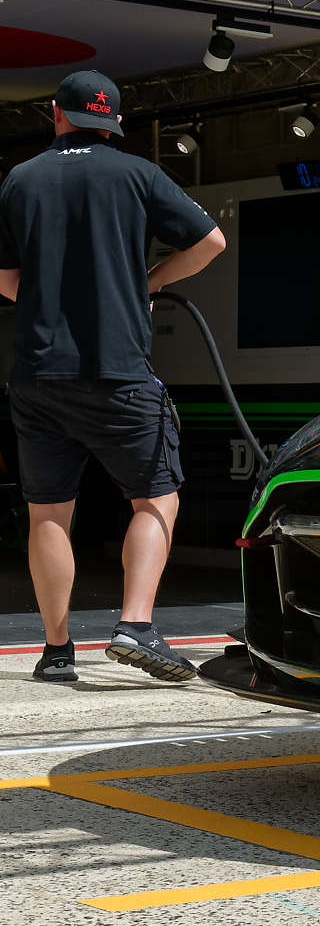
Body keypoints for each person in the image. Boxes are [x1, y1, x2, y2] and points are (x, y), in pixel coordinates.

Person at [0, 70, 226, 684]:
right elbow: (211, 241)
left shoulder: (20, 180)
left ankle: (55, 652)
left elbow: (7, 279)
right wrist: (146, 282)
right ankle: (136, 626)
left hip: (38, 375)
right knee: (157, 496)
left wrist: (50, 298)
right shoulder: (137, 174)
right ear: (112, 122)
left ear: (57, 114)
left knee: (48, 512)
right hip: (118, 372)